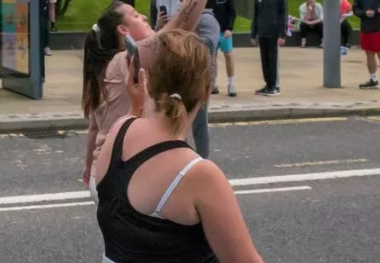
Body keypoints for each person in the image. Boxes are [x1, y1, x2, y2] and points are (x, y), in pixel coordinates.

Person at [93, 30, 262, 263]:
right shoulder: (198, 174)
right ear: (205, 94)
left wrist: (136, 105)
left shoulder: (119, 132)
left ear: (148, 80)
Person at [81, 0, 231, 198]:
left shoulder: (105, 70)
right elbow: (180, 25)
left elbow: (95, 130)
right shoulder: (124, 61)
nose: (143, 17)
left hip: (107, 175)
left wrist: (88, 168)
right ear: (123, 31)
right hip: (123, 177)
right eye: (136, 15)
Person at [179, 0, 219, 158]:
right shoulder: (179, 20)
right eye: (185, 0)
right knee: (179, 119)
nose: (187, 4)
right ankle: (181, 156)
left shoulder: (206, 19)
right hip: (181, 74)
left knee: (198, 121)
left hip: (200, 76)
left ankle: (202, 159)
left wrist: (182, 41)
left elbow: (209, 43)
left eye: (190, 0)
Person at [251, 0, 287, 96]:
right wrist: (253, 34)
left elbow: (283, 16)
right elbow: (255, 16)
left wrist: (282, 34)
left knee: (273, 60)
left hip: (274, 34)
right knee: (264, 61)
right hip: (262, 34)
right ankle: (268, 84)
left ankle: (274, 86)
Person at [208, 0, 237, 96]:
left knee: (228, 55)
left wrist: (229, 28)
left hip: (224, 30)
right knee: (211, 58)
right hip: (211, 30)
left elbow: (232, 11)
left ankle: (231, 83)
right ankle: (213, 83)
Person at [355, 0, 380, 89]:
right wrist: (364, 13)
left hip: (379, 27)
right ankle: (373, 79)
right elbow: (355, 9)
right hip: (365, 28)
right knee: (369, 54)